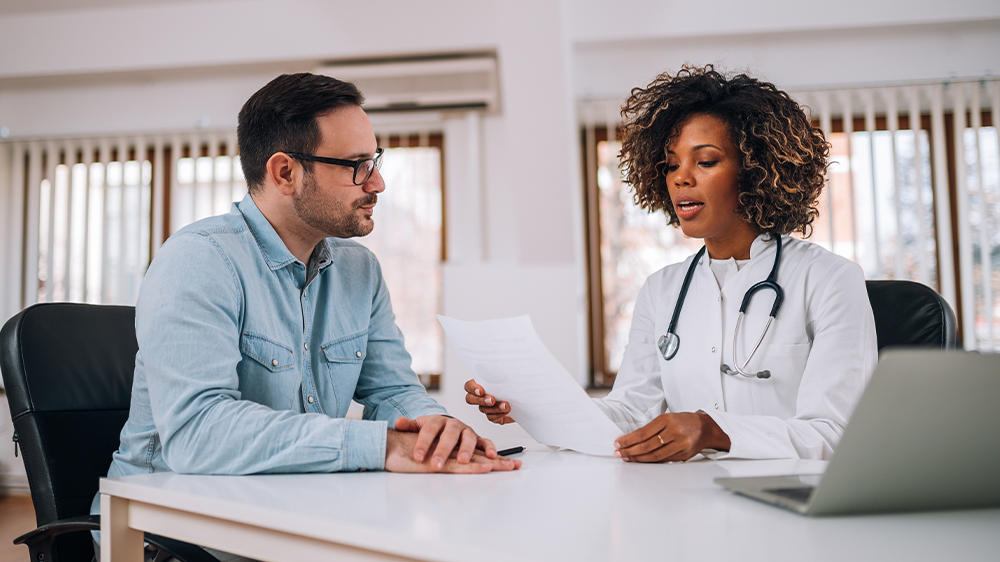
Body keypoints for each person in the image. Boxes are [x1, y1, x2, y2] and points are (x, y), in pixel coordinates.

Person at [93, 73, 518, 561]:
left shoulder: (359, 269)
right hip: (169, 538)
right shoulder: (198, 262)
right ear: (285, 173)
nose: (377, 183)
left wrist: (437, 432)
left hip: (291, 516)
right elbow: (197, 434)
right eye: (357, 166)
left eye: (374, 161)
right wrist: (379, 446)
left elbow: (391, 391)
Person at [465, 65, 877, 463]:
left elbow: (835, 432)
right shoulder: (662, 291)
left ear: (755, 171)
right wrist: (533, 406)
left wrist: (714, 432)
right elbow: (628, 413)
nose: (681, 178)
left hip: (791, 510)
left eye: (706, 161)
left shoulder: (829, 280)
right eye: (672, 164)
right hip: (689, 505)